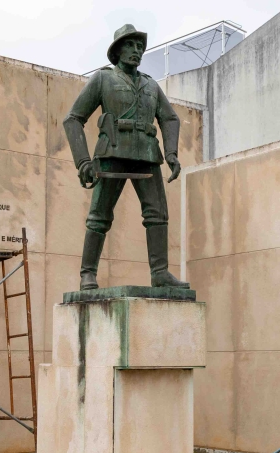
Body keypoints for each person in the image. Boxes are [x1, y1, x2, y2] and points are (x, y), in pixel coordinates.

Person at [63, 23, 188, 290]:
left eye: (140, 46)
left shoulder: (151, 84)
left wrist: (171, 153)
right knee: (99, 216)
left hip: (147, 154)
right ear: (117, 50)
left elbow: (169, 118)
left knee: (158, 214)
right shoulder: (103, 78)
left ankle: (160, 273)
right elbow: (73, 119)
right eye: (130, 45)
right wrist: (83, 161)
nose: (136, 50)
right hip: (113, 151)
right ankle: (87, 273)